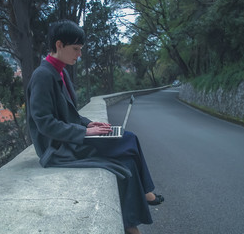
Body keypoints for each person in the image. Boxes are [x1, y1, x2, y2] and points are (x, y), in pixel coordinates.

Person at [26, 19, 163, 234]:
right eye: (76, 49)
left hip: (70, 139)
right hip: (57, 148)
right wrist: (85, 132)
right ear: (59, 45)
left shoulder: (59, 71)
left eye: (80, 49)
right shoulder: (42, 76)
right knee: (128, 139)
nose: (79, 54)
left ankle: (131, 225)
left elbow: (70, 114)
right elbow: (44, 123)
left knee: (125, 163)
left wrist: (90, 123)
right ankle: (147, 193)